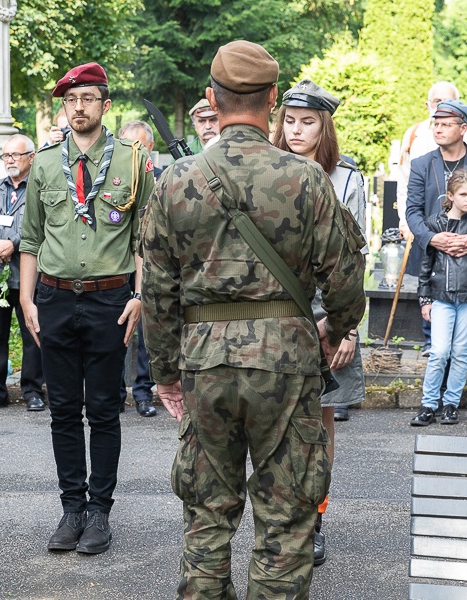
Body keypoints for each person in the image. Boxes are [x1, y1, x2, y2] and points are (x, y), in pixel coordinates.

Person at [141, 41, 366, 599]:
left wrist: (166, 372)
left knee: (207, 516)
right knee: (287, 517)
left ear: (212, 101)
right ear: (272, 98)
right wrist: (334, 329)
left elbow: (158, 291)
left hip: (205, 363)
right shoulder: (308, 179)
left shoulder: (176, 180)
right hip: (286, 363)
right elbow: (345, 279)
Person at [19, 62, 154, 555]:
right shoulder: (47, 162)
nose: (78, 108)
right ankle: (71, 509)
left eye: (88, 99)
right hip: (54, 297)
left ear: (105, 106)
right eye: (71, 100)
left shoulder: (133, 162)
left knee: (102, 410)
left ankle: (100, 511)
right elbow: (30, 238)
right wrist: (27, 298)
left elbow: (146, 238)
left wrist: (140, 296)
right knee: (61, 411)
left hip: (110, 299)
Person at [272, 78, 369, 566]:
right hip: (277, 314)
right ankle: (279, 519)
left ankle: (315, 519)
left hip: (328, 316)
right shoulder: (268, 169)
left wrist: (345, 327)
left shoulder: (347, 178)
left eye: (307, 122)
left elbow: (355, 258)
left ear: (324, 126)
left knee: (320, 428)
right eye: (288, 120)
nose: (295, 130)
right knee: (274, 426)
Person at [405, 99, 467, 414]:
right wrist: (431, 238)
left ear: (463, 128)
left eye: (446, 123)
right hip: (437, 263)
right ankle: (438, 403)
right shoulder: (422, 164)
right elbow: (412, 211)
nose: (438, 128)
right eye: (435, 123)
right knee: (440, 342)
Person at [397, 81, 467, 357]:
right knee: (431, 275)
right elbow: (403, 180)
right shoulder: (414, 134)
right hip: (428, 224)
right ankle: (430, 341)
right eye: (436, 101)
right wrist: (405, 220)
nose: (441, 106)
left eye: (447, 101)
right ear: (427, 105)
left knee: (464, 276)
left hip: (465, 222)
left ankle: (463, 343)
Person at [412, 170, 467, 426]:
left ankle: (451, 404)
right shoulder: (434, 224)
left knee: (461, 352)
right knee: (439, 351)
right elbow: (425, 265)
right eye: (463, 194)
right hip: (441, 297)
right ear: (450, 195)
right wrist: (425, 299)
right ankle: (429, 404)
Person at [0, 134, 45, 412]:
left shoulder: (39, 189)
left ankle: (33, 390)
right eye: (6, 156)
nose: (10, 160)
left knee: (32, 334)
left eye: (15, 154)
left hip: (28, 276)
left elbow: (44, 226)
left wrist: (11, 243)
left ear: (31, 157)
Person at [117, 120, 159, 417]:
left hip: (151, 265)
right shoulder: (110, 179)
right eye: (127, 147)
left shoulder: (163, 181)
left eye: (139, 147)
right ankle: (116, 392)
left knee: (145, 332)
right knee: (115, 329)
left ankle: (143, 392)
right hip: (117, 265)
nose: (133, 154)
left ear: (150, 149)